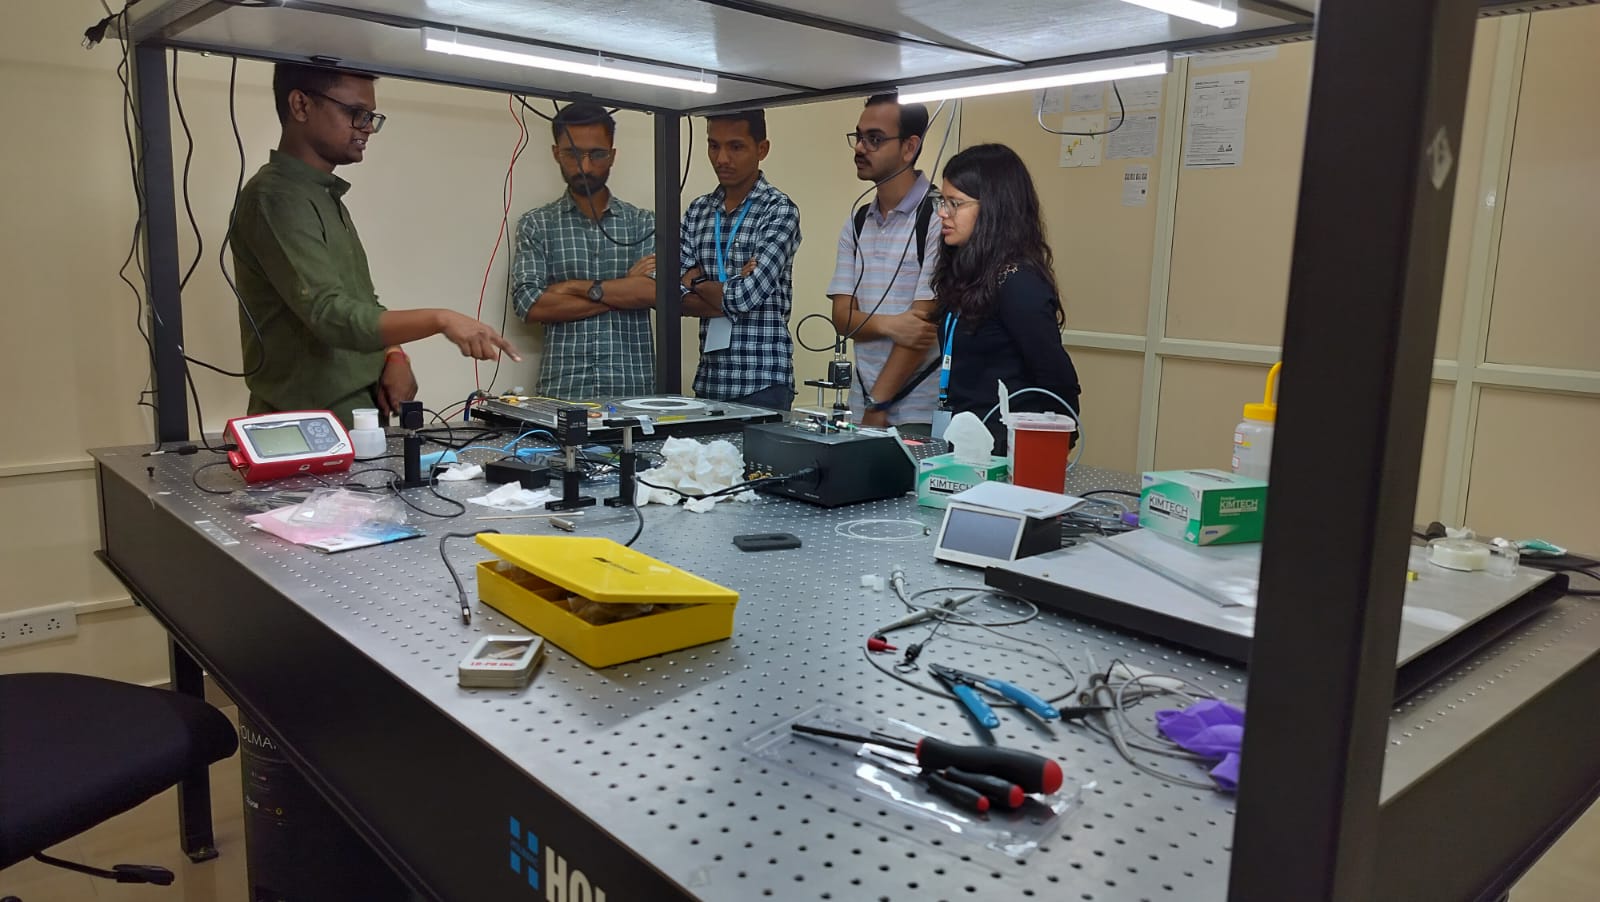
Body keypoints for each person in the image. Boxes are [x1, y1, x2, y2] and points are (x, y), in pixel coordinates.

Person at [232, 64, 518, 428]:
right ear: (301, 105)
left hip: (357, 418)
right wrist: (441, 319)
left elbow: (360, 302)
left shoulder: (322, 195)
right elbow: (330, 316)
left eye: (370, 116)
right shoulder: (276, 198)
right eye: (355, 113)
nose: (367, 127)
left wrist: (394, 354)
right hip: (308, 424)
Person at [931, 143, 1082, 452]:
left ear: (993, 207)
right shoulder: (967, 275)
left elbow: (1056, 378)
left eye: (955, 203)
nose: (943, 213)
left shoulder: (1017, 282)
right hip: (966, 443)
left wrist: (1051, 450)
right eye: (941, 201)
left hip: (1009, 451)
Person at [511, 103, 658, 399]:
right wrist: (622, 291)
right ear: (556, 153)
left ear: (612, 155)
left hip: (633, 391)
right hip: (563, 390)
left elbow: (652, 292)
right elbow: (531, 305)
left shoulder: (644, 223)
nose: (586, 166)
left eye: (597, 154)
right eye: (573, 154)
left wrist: (571, 287)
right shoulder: (537, 224)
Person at [828, 94, 941, 429]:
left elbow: (921, 328)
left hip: (917, 412)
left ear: (909, 147)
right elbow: (841, 318)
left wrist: (879, 403)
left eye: (874, 139)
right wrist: (892, 324)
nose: (860, 148)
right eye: (858, 136)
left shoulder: (938, 217)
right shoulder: (858, 220)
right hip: (862, 404)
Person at [679, 109, 801, 411]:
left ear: (762, 149)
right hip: (710, 380)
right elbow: (672, 298)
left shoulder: (779, 210)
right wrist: (731, 286)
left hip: (762, 381)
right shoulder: (698, 211)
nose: (722, 158)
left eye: (735, 147)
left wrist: (696, 281)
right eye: (714, 145)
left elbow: (747, 296)